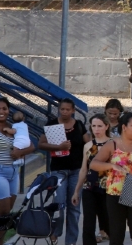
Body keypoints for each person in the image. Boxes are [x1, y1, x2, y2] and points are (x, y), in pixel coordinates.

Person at [90, 113, 132, 245]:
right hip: (115, 194)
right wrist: (111, 165)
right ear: (124, 127)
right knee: (116, 235)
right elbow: (93, 164)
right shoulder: (112, 145)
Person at [38, 98, 90, 245]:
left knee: (74, 208)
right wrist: (59, 148)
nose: (65, 112)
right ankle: (56, 231)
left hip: (76, 170)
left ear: (73, 110)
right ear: (59, 110)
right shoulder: (52, 125)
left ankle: (71, 241)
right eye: (62, 109)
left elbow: (89, 144)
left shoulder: (79, 125)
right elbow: (41, 144)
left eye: (68, 109)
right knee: (59, 203)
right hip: (58, 170)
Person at [0, 98, 35, 245]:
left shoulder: (15, 126)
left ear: (9, 110)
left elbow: (32, 145)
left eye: (4, 109)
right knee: (2, 211)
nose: (1, 112)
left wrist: (20, 152)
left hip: (14, 172)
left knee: (7, 214)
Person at [71, 114, 112, 245]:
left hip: (109, 187)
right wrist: (76, 191)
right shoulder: (88, 145)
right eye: (94, 126)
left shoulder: (114, 144)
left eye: (100, 126)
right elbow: (84, 169)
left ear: (106, 126)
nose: (96, 129)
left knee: (108, 220)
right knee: (88, 221)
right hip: (90, 186)